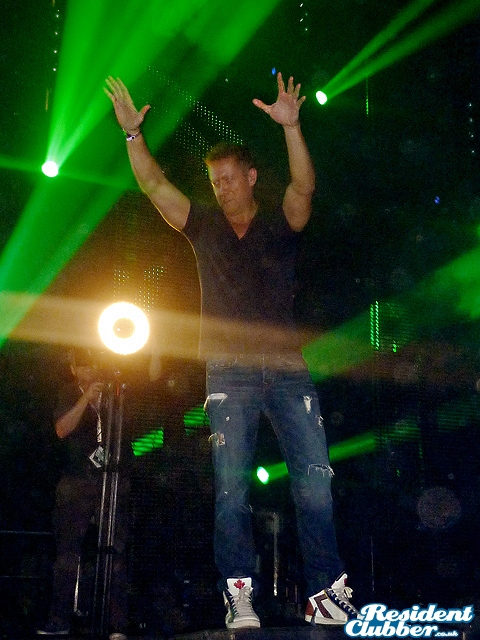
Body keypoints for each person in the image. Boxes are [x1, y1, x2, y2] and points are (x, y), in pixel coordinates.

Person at [104, 72, 359, 629]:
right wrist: (132, 135)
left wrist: (291, 127)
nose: (220, 188)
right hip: (229, 373)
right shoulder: (203, 226)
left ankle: (325, 590)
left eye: (227, 179)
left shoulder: (278, 225)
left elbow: (304, 190)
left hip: (288, 370)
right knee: (230, 490)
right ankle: (238, 593)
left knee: (315, 479)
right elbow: (154, 185)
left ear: (250, 177)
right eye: (213, 181)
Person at [37, 348, 131, 640]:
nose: (90, 371)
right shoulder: (67, 393)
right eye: (84, 367)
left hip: (111, 480)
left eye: (94, 366)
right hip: (76, 482)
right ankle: (59, 619)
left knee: (115, 552)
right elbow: (61, 430)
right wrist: (85, 399)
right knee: (67, 554)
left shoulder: (114, 393)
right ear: (74, 369)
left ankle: (116, 624)